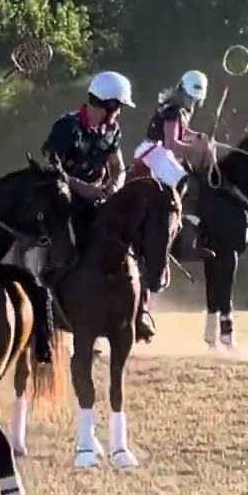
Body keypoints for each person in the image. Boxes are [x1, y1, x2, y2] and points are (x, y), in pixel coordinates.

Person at [40, 71, 160, 343]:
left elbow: (117, 166)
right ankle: (45, 311)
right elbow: (52, 169)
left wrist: (114, 188)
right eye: (118, 107)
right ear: (107, 105)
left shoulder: (112, 130)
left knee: (132, 239)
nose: (119, 113)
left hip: (99, 199)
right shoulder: (66, 127)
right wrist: (86, 189)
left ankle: (139, 310)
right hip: (63, 198)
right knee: (56, 251)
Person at [133, 70, 213, 262]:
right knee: (186, 183)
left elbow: (183, 133)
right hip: (153, 152)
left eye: (194, 100)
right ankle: (170, 234)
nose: (191, 102)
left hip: (158, 153)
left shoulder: (179, 110)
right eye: (188, 97)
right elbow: (171, 143)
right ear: (181, 91)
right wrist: (196, 151)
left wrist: (199, 137)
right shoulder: (173, 110)